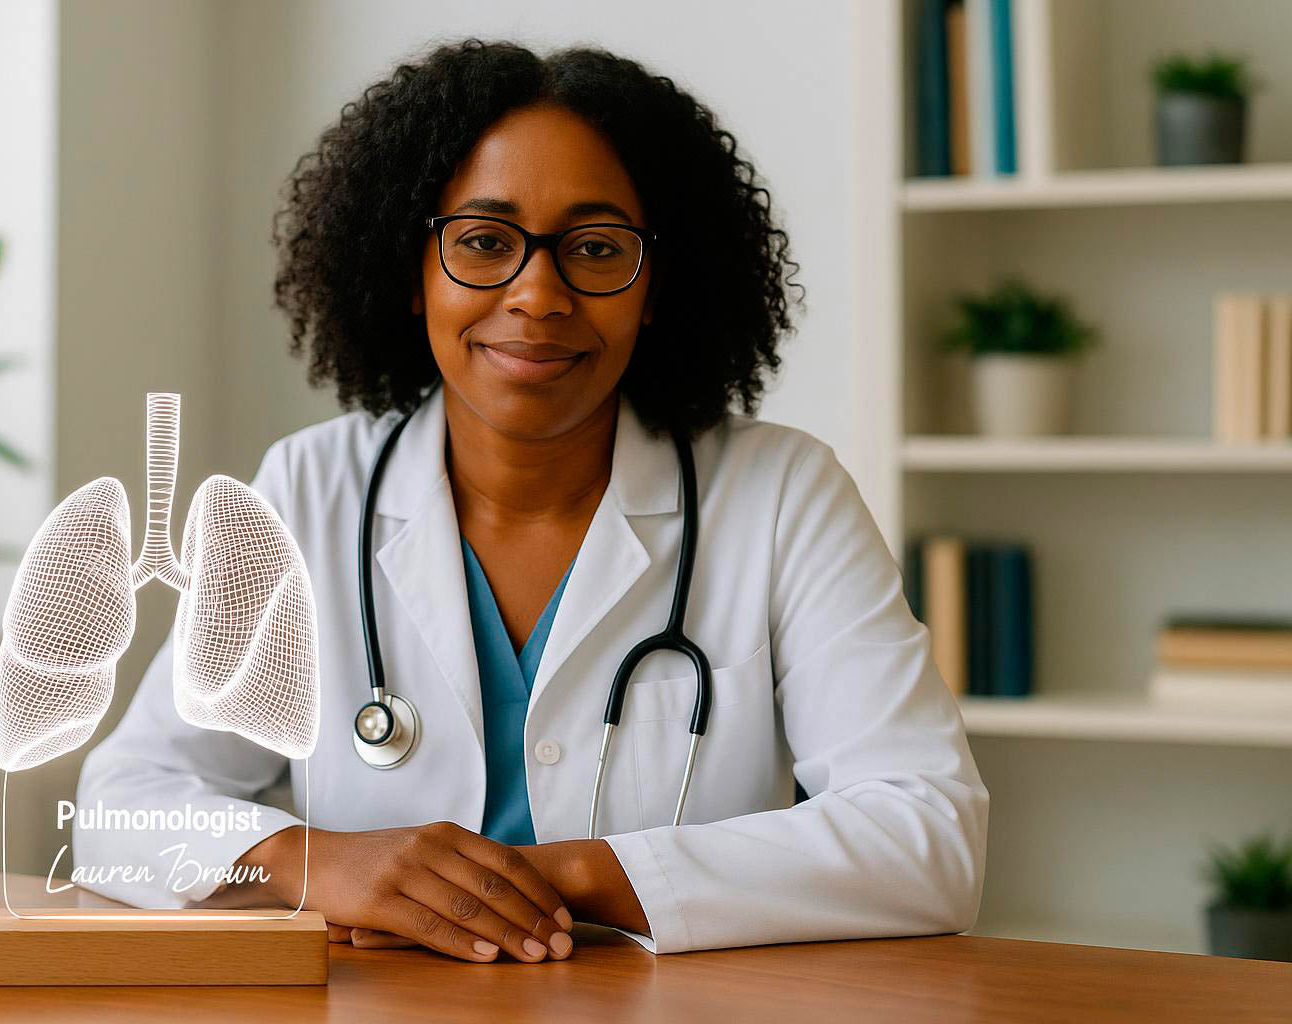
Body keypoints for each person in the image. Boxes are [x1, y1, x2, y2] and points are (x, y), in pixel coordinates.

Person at [75, 38, 987, 961]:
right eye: (483, 241)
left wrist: (568, 876)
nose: (537, 295)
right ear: (412, 265)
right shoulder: (308, 493)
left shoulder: (784, 496)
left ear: (656, 286)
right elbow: (120, 806)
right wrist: (315, 862)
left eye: (595, 248)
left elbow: (928, 834)